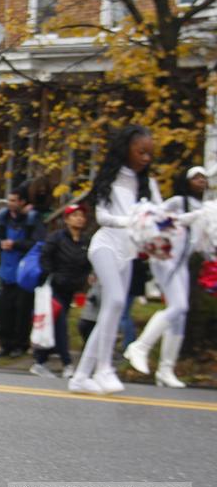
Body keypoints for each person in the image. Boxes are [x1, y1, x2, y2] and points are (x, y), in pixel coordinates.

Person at [69, 125, 161, 395]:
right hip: (105, 245)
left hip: (128, 252)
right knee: (117, 300)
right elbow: (102, 218)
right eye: (141, 151)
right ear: (127, 149)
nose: (146, 158)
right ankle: (104, 368)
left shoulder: (148, 185)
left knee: (113, 309)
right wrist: (134, 220)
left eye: (149, 153)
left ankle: (81, 376)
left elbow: (161, 214)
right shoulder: (110, 179)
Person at [124, 165, 207, 388]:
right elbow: (157, 220)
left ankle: (165, 370)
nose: (201, 181)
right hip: (165, 259)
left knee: (180, 315)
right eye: (196, 177)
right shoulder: (179, 202)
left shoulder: (204, 207)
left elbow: (201, 243)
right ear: (188, 181)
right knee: (178, 307)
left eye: (204, 178)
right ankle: (139, 346)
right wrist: (191, 217)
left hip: (181, 264)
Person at [30, 203, 92, 380]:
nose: (79, 218)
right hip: (54, 289)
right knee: (60, 325)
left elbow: (88, 262)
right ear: (66, 219)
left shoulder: (85, 241)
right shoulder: (56, 237)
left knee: (55, 324)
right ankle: (67, 363)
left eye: (82, 215)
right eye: (75, 215)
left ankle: (40, 362)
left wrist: (86, 278)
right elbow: (45, 258)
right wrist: (53, 276)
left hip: (71, 289)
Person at [0, 185, 44, 358]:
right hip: (7, 269)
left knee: (22, 310)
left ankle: (20, 345)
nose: (10, 203)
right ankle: (5, 344)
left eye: (14, 200)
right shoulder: (4, 217)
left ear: (22, 202)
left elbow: (37, 243)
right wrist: (1, 244)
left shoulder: (31, 219)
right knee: (4, 309)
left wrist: (15, 244)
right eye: (9, 200)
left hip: (25, 272)